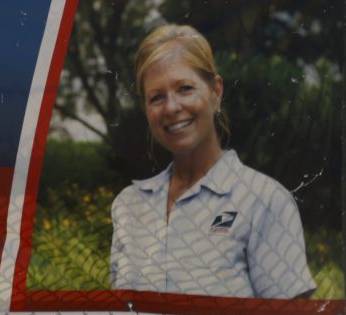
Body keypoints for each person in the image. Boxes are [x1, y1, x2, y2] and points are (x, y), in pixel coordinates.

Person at [109, 23, 316, 298]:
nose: (171, 107)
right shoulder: (128, 205)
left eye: (184, 88)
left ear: (216, 92)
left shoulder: (264, 200)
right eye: (156, 97)